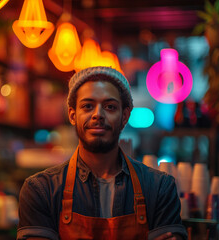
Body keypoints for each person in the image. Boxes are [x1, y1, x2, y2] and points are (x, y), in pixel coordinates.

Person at [17, 66, 187, 240]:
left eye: (110, 107)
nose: (98, 114)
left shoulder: (159, 188)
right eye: (88, 106)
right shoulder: (41, 190)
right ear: (72, 115)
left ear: (125, 116)